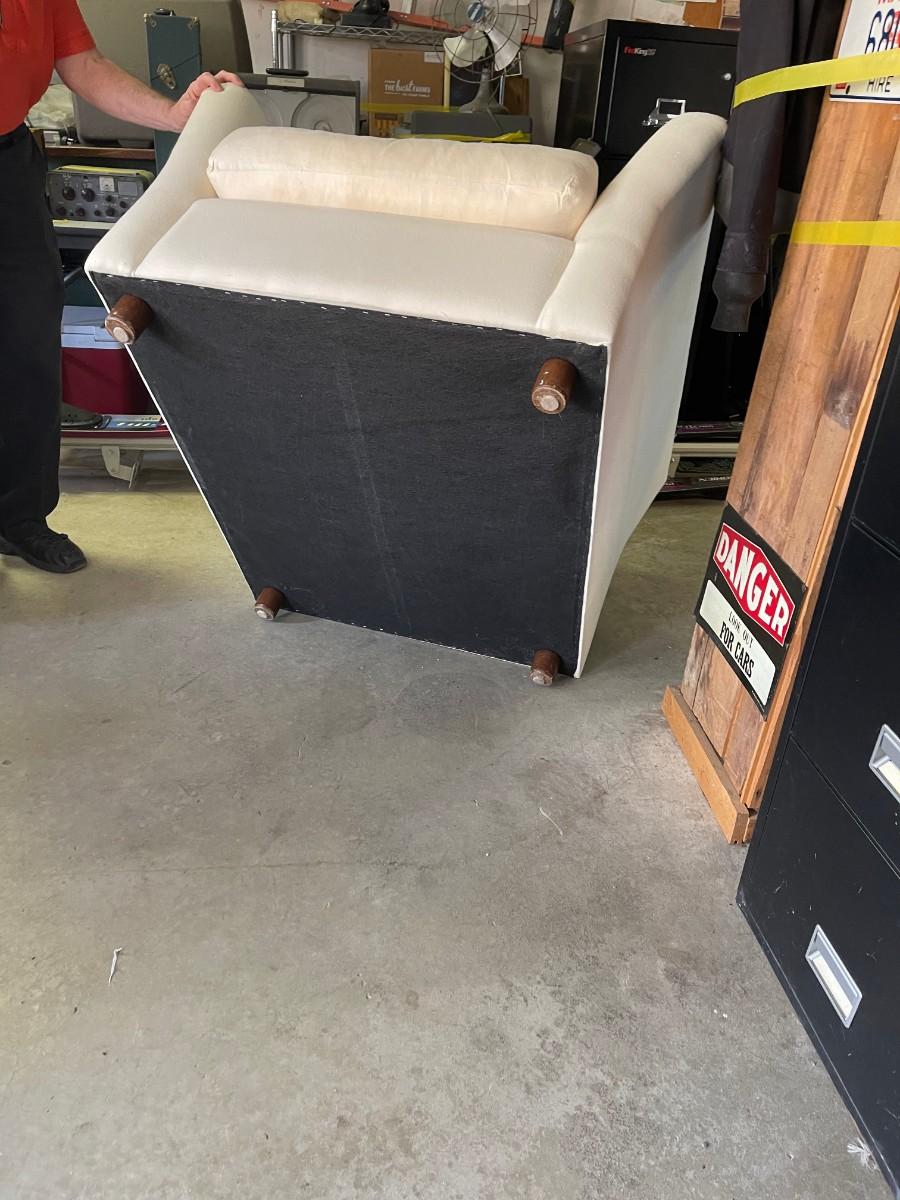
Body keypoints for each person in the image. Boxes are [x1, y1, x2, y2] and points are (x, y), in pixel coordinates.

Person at [0, 0, 242, 573]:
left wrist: (175, 115)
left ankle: (19, 518)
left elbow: (82, 64)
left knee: (28, 345)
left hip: (8, 161)